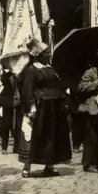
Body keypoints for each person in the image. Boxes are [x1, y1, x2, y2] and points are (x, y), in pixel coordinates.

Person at [16, 39, 72, 178]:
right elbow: (27, 89)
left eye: (48, 52)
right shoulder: (32, 70)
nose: (48, 55)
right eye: (46, 53)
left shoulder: (50, 68)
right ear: (38, 54)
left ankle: (49, 165)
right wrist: (32, 106)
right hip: (41, 107)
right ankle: (26, 167)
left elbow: (57, 85)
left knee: (51, 136)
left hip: (54, 107)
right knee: (35, 135)